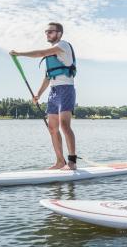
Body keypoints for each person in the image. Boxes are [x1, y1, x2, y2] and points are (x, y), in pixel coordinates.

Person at [10, 22, 78, 170]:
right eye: (46, 32)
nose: (47, 34)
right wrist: (38, 94)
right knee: (52, 128)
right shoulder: (50, 57)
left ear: (59, 33)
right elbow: (47, 77)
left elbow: (40, 53)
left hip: (66, 89)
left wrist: (19, 53)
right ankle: (60, 162)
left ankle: (72, 162)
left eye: (50, 32)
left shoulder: (63, 45)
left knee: (65, 126)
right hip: (53, 92)